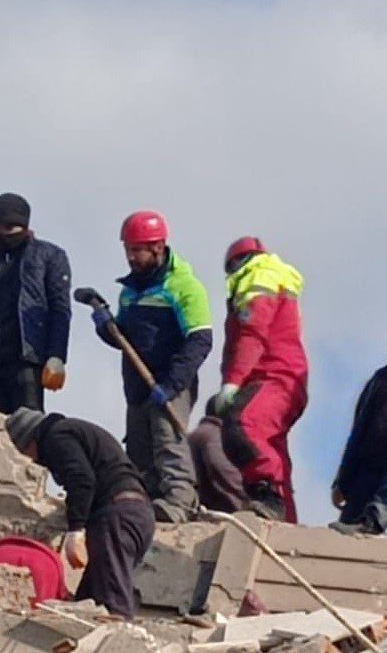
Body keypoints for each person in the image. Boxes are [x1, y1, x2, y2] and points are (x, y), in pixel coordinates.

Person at [92, 210, 212, 524]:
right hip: (137, 385)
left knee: (167, 440)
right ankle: (144, 504)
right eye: (128, 250)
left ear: (157, 247)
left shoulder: (183, 286)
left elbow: (200, 339)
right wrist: (106, 326)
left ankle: (179, 501)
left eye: (136, 250)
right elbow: (126, 341)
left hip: (170, 382)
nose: (130, 257)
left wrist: (173, 385)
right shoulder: (130, 292)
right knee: (140, 449)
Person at [5, 406, 154, 620]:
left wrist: (75, 529)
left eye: (27, 454)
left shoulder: (57, 436)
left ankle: (121, 645)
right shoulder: (72, 431)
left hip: (117, 515)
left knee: (114, 608)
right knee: (89, 601)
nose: (33, 461)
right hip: (137, 514)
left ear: (30, 442)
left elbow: (82, 480)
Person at [212, 237, 308, 522]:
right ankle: (283, 518)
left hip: (272, 375)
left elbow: (252, 333)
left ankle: (267, 495)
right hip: (284, 376)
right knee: (271, 444)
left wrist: (233, 380)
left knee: (243, 425)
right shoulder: (275, 278)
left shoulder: (257, 278)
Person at [0, 193, 72, 413]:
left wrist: (57, 356)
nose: (3, 233)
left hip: (26, 361)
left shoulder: (49, 256)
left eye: (9, 228)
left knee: (28, 429)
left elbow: (60, 310)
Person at [332, 319, 387, 535]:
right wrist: (343, 481)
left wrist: (379, 515)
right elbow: (359, 430)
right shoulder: (382, 379)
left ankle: (375, 519)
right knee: (345, 536)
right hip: (369, 472)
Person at [189, 398, 247, 514]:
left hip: (201, 505)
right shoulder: (214, 434)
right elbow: (222, 468)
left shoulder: (196, 434)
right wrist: (245, 499)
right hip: (217, 510)